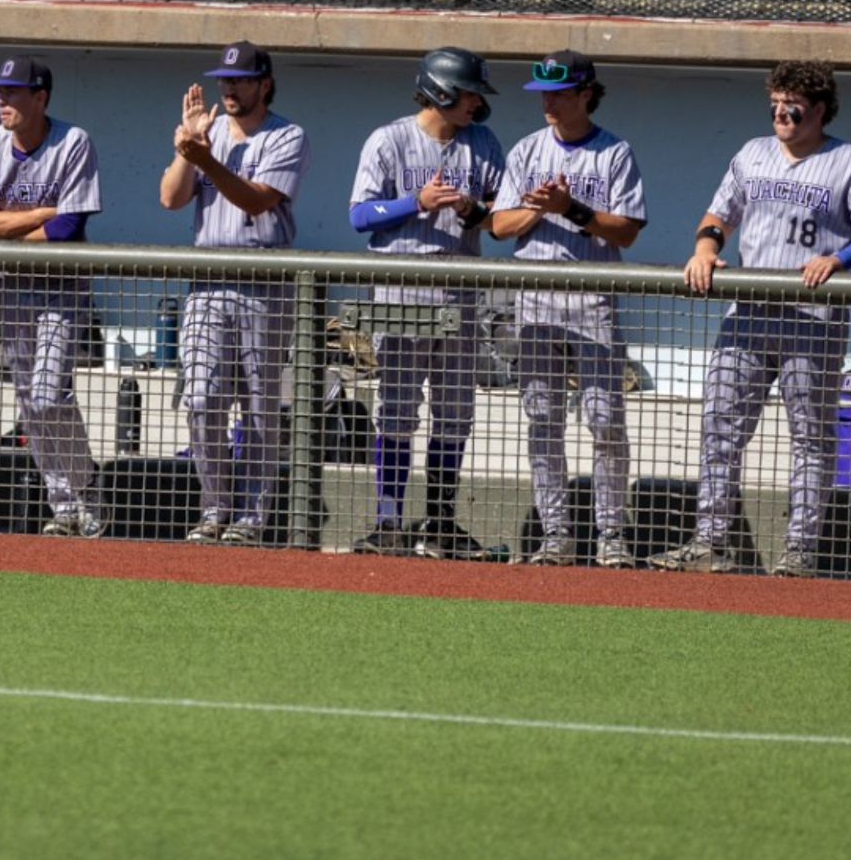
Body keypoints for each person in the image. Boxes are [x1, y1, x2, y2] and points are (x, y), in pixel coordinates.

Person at [649, 60, 851, 577]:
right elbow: (719, 215)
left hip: (812, 318)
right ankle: (711, 539)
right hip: (750, 313)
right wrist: (703, 249)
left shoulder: (850, 160)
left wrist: (840, 258)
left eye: (794, 104)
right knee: (719, 427)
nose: (782, 113)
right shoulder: (752, 153)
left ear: (820, 109)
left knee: (810, 437)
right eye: (776, 103)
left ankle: (800, 550)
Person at [487, 50, 647, 568]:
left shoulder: (614, 152)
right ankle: (556, 534)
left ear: (585, 94)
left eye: (558, 93)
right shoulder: (527, 149)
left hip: (591, 300)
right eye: (543, 93)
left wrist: (572, 209)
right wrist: (538, 206)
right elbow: (498, 227)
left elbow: (627, 229)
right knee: (543, 420)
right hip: (536, 301)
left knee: (605, 422)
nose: (548, 102)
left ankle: (612, 536)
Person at [346, 46, 505, 559]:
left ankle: (440, 523)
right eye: (467, 94)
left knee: (455, 414)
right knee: (395, 412)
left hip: (459, 290)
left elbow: (501, 216)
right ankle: (388, 523)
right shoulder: (389, 139)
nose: (475, 105)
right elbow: (359, 215)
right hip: (401, 290)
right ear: (440, 90)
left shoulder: (482, 142)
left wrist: (469, 207)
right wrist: (415, 202)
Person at [0, 55, 108, 538]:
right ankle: (64, 505)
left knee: (47, 394)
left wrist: (10, 228)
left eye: (15, 92)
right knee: (29, 401)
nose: (4, 100)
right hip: (11, 288)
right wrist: (37, 215)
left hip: (60, 286)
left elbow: (67, 226)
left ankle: (86, 484)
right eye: (1, 91)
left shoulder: (73, 142)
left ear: (41, 97)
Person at [158, 41, 311, 547]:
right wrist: (187, 153)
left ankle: (253, 516)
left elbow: (255, 199)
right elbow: (170, 199)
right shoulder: (206, 134)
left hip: (262, 283)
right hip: (207, 283)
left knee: (260, 406)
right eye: (224, 80)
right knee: (201, 399)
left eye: (241, 79)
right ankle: (215, 508)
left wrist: (209, 161)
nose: (229, 87)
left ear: (263, 84)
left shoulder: (288, 134)